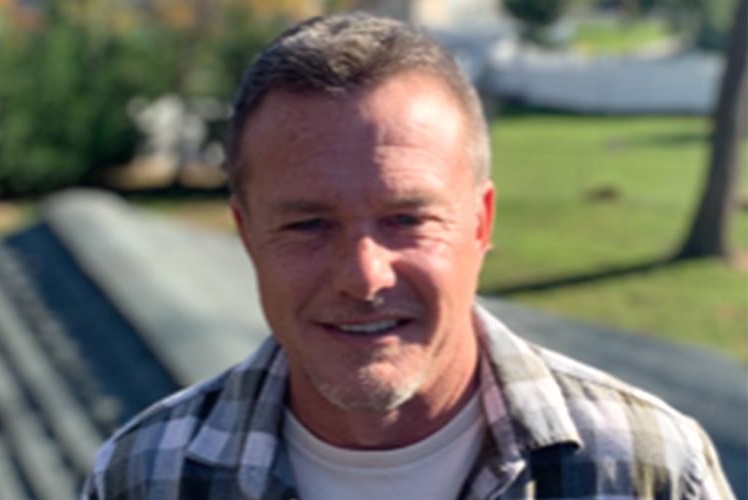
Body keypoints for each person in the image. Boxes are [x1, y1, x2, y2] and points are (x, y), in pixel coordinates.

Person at [82, 12, 734, 500]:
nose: (364, 276)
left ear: (480, 225)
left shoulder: (647, 470)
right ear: (247, 233)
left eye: (407, 219)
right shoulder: (147, 475)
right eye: (309, 224)